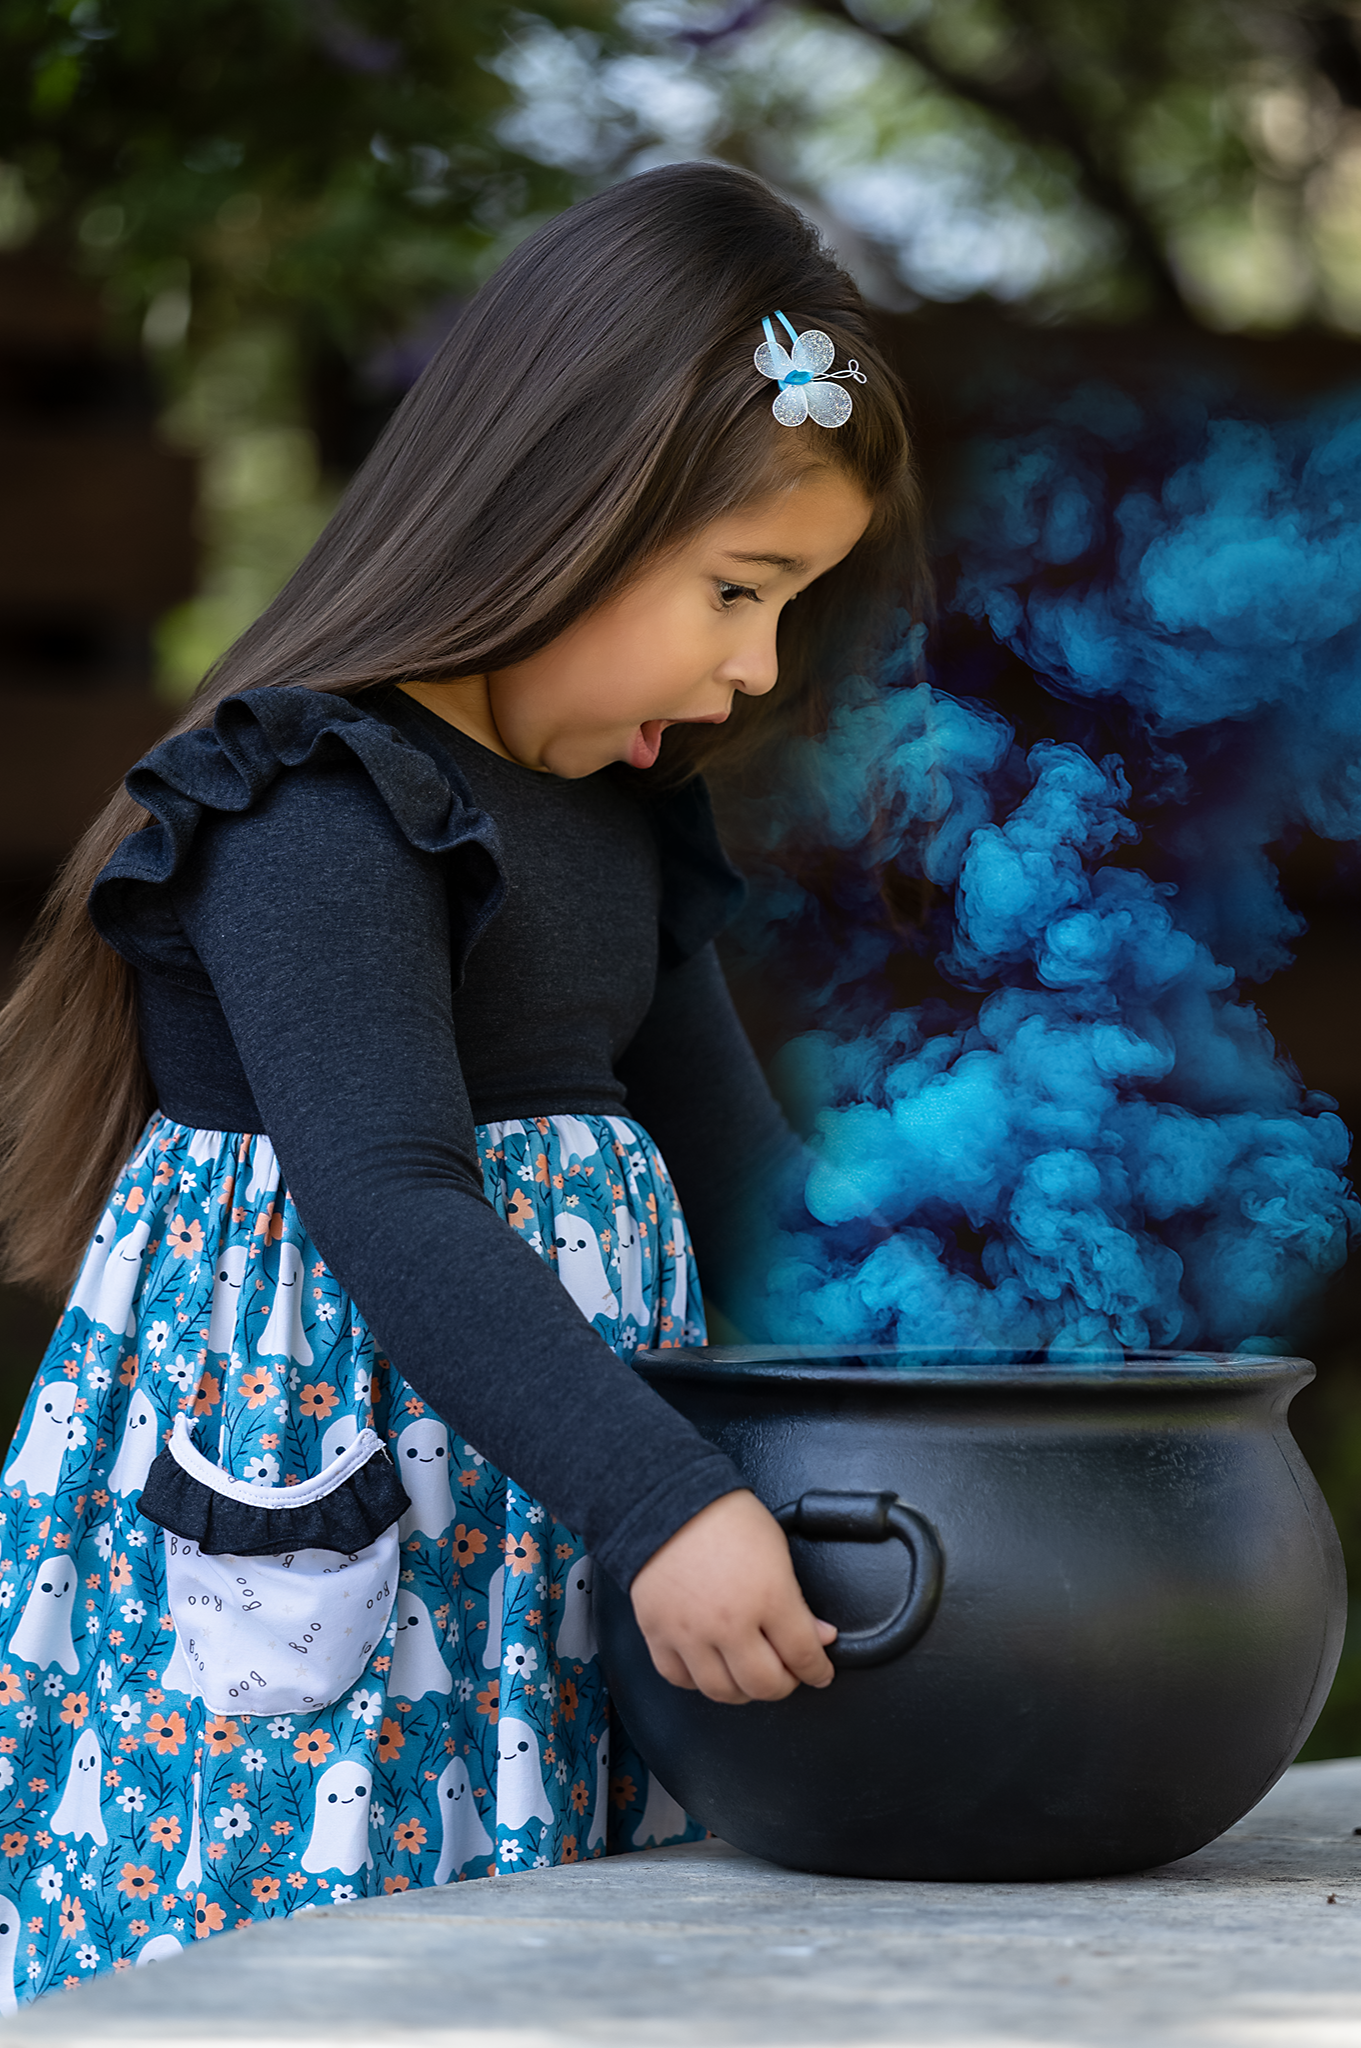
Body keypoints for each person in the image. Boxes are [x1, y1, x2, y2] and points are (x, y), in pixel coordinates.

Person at [0, 161, 922, 1994]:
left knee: (538, 1958)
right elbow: (389, 1194)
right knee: (306, 1966)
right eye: (737, 593)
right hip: (323, 1520)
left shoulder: (620, 817)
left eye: (784, 612)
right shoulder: (316, 802)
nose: (751, 672)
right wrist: (661, 1499)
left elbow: (741, 1167)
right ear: (566, 509)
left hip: (557, 1510)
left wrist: (941, 1352)